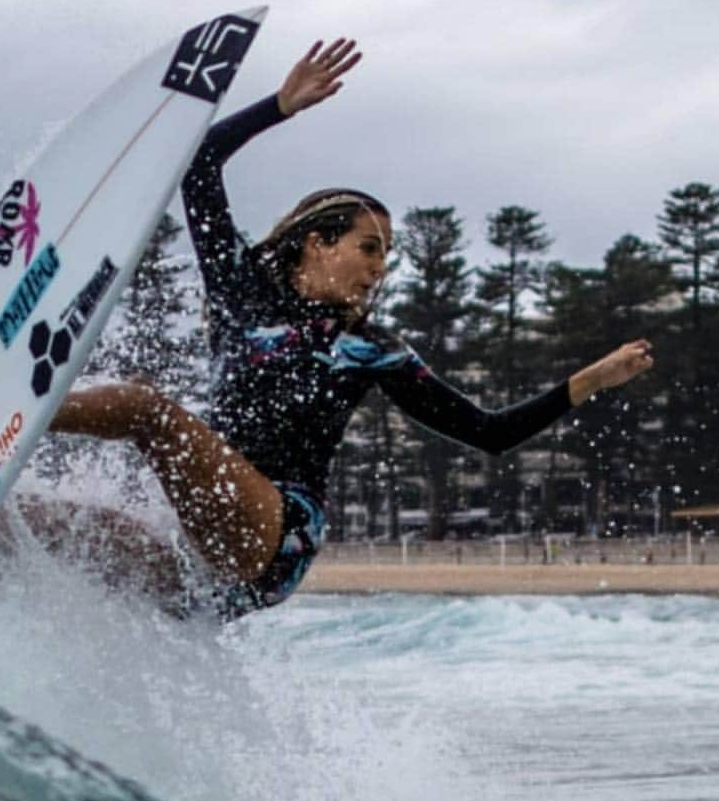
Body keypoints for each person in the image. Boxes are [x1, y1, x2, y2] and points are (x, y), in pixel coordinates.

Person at [48, 38, 654, 620]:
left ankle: (14, 415)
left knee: (144, 410)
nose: (379, 266)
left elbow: (487, 433)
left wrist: (590, 381)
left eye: (386, 253)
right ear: (317, 242)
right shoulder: (239, 292)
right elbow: (198, 165)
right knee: (40, 525)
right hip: (208, 560)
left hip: (279, 533)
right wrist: (278, 106)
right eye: (369, 247)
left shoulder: (371, 349)